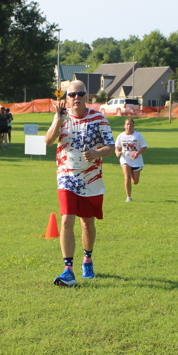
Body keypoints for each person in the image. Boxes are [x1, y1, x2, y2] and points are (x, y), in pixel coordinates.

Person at [45, 81, 114, 286]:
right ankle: (68, 270)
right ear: (67, 97)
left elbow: (111, 146)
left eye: (80, 94)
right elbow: (48, 141)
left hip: (91, 178)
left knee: (87, 223)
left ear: (86, 96)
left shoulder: (99, 118)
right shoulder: (61, 117)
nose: (76, 98)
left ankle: (87, 258)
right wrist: (58, 119)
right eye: (72, 94)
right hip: (66, 176)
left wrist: (97, 152)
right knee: (67, 219)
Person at [115, 117, 148, 202]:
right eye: (127, 124)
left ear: (133, 126)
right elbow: (117, 147)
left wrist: (138, 153)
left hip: (136, 160)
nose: (129, 126)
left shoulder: (138, 136)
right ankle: (128, 197)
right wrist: (117, 152)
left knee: (135, 181)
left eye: (131, 124)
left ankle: (133, 177)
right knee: (127, 177)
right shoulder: (121, 136)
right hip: (125, 159)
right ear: (124, 126)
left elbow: (144, 147)